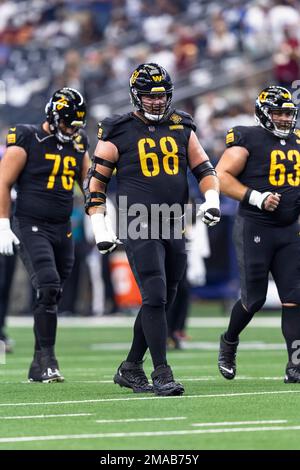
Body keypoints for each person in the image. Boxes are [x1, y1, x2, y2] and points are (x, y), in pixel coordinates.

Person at [85, 63, 221, 396]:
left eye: (161, 95)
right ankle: (162, 372)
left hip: (173, 218)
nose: (157, 102)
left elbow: (203, 166)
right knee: (156, 295)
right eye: (150, 95)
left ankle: (130, 367)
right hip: (136, 218)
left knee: (164, 298)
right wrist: (100, 226)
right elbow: (95, 184)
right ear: (137, 96)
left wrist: (212, 197)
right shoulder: (117, 129)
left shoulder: (182, 125)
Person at [0, 87, 90, 382]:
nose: (72, 128)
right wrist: (2, 223)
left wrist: (102, 218)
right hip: (30, 223)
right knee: (48, 285)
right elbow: (3, 181)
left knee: (53, 293)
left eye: (76, 123)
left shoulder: (78, 144)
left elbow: (90, 185)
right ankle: (48, 359)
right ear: (53, 116)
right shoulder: (27, 137)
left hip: (62, 227)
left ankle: (40, 362)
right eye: (67, 122)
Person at [216, 85, 300, 383]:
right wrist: (256, 197)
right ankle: (229, 341)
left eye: (288, 113)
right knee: (254, 299)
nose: (284, 119)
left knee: (294, 297)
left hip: (290, 229)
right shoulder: (248, 138)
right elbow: (221, 176)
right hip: (256, 226)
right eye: (278, 112)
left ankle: (295, 364)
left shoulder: (297, 139)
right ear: (264, 113)